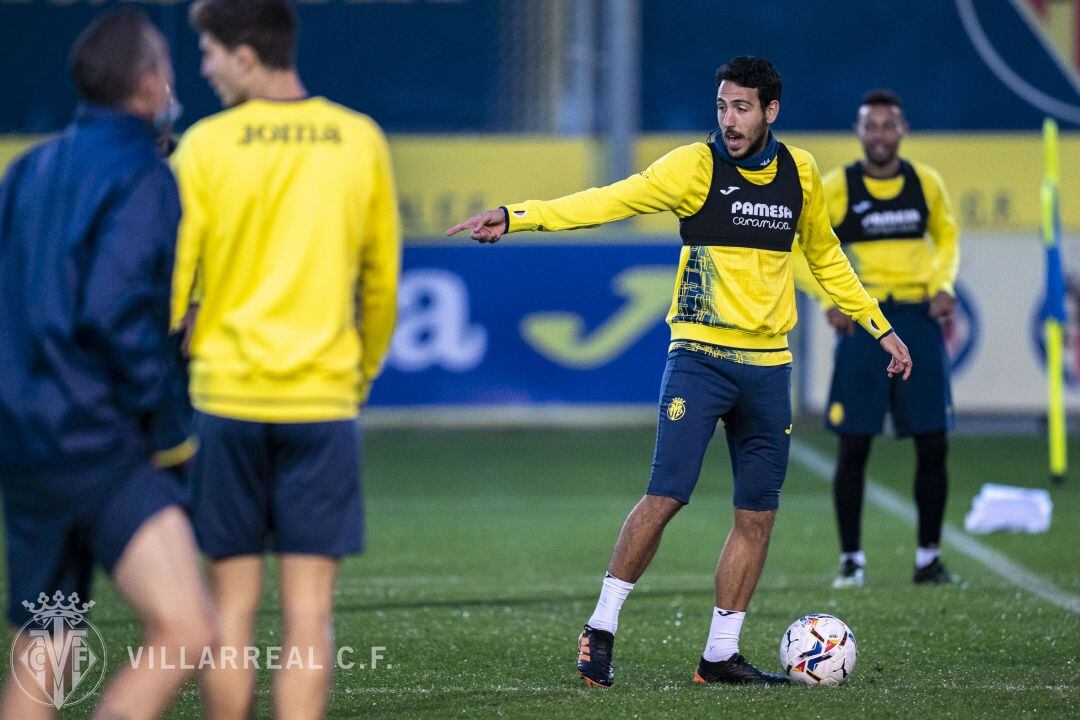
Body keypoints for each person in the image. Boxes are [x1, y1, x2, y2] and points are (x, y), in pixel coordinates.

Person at [447, 56, 913, 687]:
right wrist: (520, 215)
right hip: (699, 360)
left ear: (771, 111)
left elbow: (826, 255)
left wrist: (880, 328)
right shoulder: (695, 167)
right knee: (666, 495)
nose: (729, 119)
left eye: (742, 107)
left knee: (757, 514)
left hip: (770, 367)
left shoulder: (800, 172)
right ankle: (602, 626)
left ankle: (720, 654)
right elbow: (610, 201)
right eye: (722, 106)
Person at [170, 0, 401, 717]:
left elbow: (174, 286)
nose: (203, 68)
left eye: (208, 52)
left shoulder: (203, 147)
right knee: (308, 618)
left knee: (230, 614)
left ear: (245, 55)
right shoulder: (357, 138)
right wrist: (358, 376)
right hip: (322, 405)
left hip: (226, 402)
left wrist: (178, 364)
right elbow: (382, 282)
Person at [0, 9, 216, 719]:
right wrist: (167, 432)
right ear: (149, 81)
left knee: (48, 634)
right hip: (99, 441)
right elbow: (114, 312)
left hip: (28, 443)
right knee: (186, 629)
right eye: (167, 69)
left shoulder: (29, 168)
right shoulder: (146, 176)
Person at [795, 89, 960, 587]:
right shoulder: (838, 187)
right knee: (854, 446)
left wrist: (944, 285)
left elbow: (947, 237)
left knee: (933, 443)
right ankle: (852, 560)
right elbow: (803, 244)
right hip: (866, 322)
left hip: (916, 317)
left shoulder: (924, 183)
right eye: (871, 125)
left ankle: (928, 559)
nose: (881, 134)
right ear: (858, 132)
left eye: (889, 125)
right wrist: (830, 300)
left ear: (902, 131)